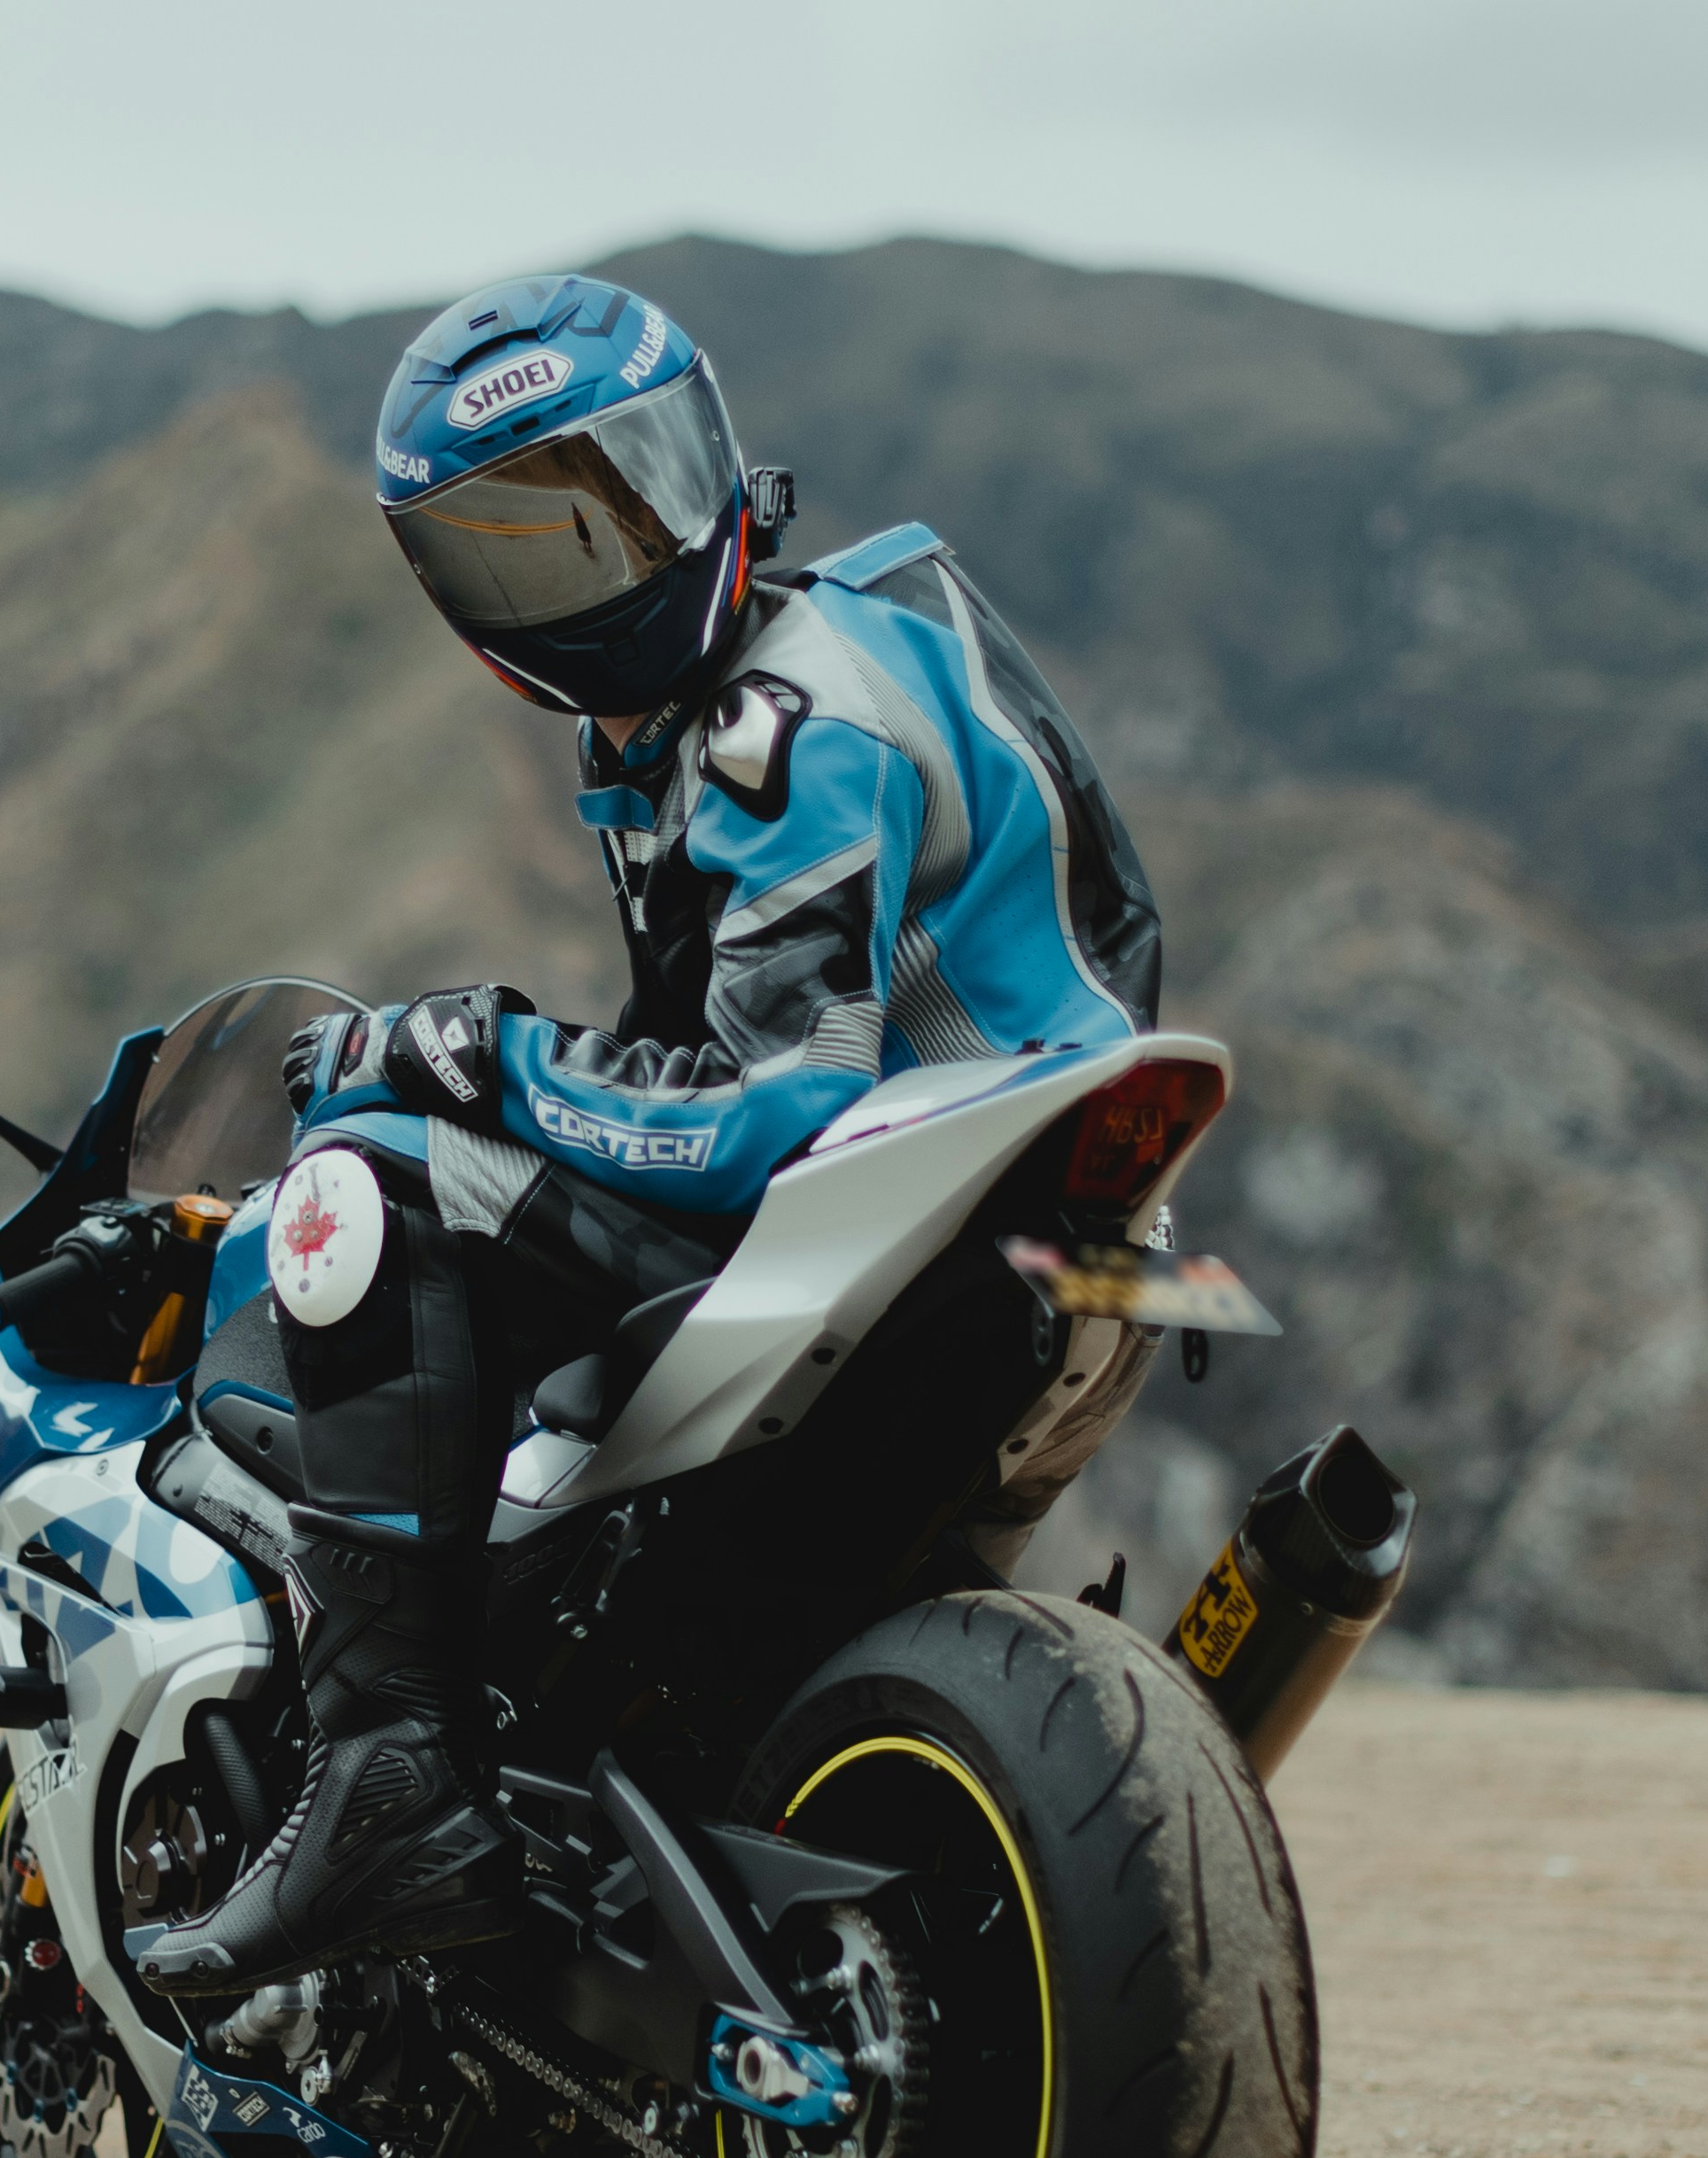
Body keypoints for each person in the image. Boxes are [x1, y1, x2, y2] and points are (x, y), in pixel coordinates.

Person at [127, 272, 1163, 1999]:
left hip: (898, 1220)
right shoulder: (841, 658)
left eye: (627, 503)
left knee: (360, 1192)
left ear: (714, 458)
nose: (603, 575)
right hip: (1045, 1234)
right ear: (458, 595)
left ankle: (396, 1780)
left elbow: (774, 1111)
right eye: (533, 552)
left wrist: (481, 1058)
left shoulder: (785, 722)